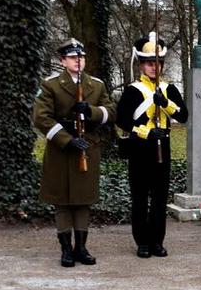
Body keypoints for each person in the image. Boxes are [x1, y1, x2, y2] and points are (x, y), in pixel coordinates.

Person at [32, 39, 116, 267]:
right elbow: (41, 117)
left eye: (81, 57)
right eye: (72, 57)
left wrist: (91, 111)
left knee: (83, 200)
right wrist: (66, 139)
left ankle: (81, 247)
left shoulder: (96, 85)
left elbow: (111, 112)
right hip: (61, 150)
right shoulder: (51, 84)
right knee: (62, 201)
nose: (78, 61)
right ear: (62, 60)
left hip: (87, 147)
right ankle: (66, 249)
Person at [117, 34, 188, 258]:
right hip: (140, 149)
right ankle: (142, 242)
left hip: (162, 147)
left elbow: (184, 115)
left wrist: (165, 103)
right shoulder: (133, 90)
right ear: (141, 65)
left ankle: (157, 241)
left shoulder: (169, 89)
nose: (153, 67)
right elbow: (122, 120)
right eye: (149, 63)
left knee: (159, 198)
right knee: (140, 198)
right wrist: (145, 132)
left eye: (157, 63)